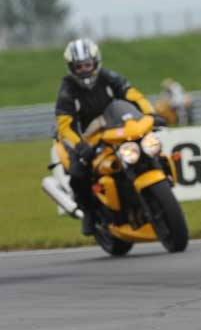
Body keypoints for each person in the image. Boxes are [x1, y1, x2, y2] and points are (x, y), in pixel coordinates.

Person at [55, 38, 156, 236]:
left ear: (95, 62)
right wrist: (80, 146)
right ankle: (89, 214)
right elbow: (65, 127)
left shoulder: (108, 77)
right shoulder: (67, 91)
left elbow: (132, 94)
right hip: (85, 138)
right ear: (71, 68)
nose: (84, 70)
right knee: (78, 173)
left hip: (114, 128)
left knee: (147, 149)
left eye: (87, 65)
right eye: (78, 66)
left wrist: (150, 114)